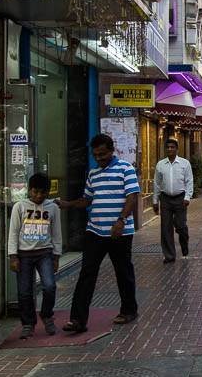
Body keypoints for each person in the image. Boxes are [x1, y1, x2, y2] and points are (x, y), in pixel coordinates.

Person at [56, 134, 139, 333]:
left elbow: (132, 196)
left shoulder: (126, 169)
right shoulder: (93, 174)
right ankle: (77, 319)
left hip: (120, 232)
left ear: (112, 151)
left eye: (103, 154)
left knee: (123, 271)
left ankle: (129, 309)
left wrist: (121, 220)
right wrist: (69, 205)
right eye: (96, 155)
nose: (99, 158)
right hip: (95, 230)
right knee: (87, 273)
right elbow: (87, 200)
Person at [8, 173, 61, 339]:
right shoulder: (19, 207)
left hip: (45, 253)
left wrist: (56, 256)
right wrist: (13, 256)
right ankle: (28, 323)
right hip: (23, 255)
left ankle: (46, 314)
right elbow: (13, 232)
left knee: (49, 286)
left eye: (43, 192)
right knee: (24, 291)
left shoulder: (53, 208)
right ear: (29, 190)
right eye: (35, 192)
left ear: (48, 192)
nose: (39, 196)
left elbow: (56, 233)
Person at [153, 138, 193, 264]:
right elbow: (157, 183)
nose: (170, 149)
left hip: (180, 199)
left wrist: (187, 197)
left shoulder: (184, 163)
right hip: (165, 199)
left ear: (177, 149)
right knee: (166, 227)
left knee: (180, 226)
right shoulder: (160, 165)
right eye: (168, 147)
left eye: (172, 147)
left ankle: (184, 243)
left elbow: (189, 181)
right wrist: (155, 200)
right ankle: (169, 255)